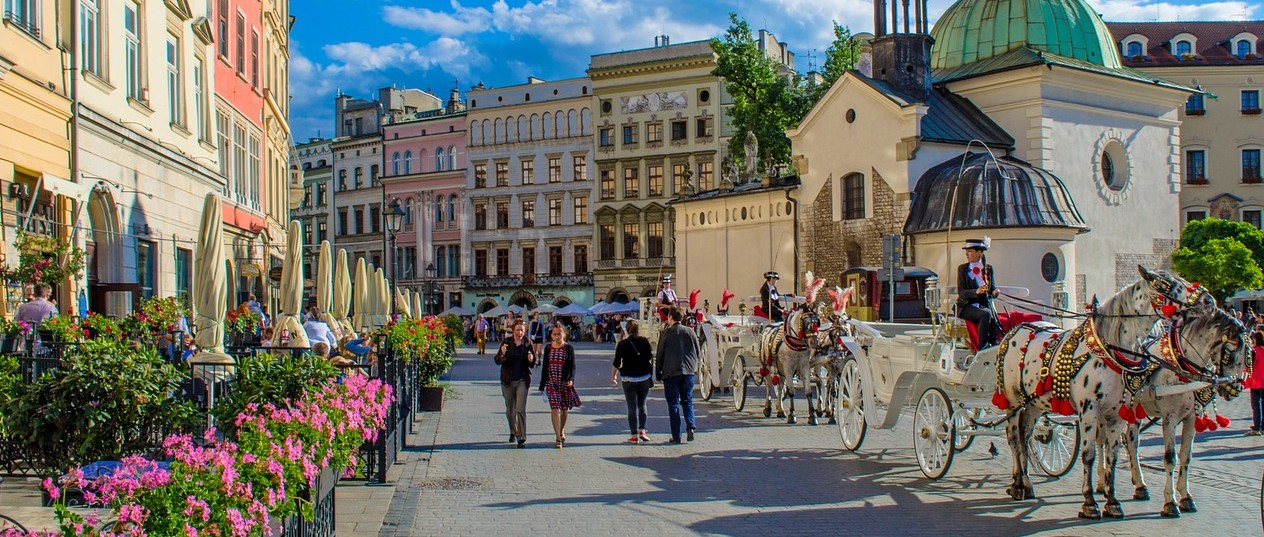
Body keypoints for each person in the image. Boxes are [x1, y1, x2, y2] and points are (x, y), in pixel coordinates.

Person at [656, 307, 699, 443]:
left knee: (673, 405)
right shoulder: (690, 331)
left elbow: (660, 354)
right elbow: (697, 350)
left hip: (670, 372)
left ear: (670, 317)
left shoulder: (666, 333)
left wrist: (658, 373)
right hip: (688, 372)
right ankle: (690, 427)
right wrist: (693, 366)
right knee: (687, 401)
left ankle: (676, 435)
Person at [495, 320, 535, 448]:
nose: (520, 333)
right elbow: (497, 360)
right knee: (510, 410)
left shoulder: (528, 343)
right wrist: (502, 353)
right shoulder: (507, 342)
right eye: (518, 330)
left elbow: (532, 363)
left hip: (522, 379)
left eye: (522, 330)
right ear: (513, 330)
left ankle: (521, 437)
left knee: (520, 409)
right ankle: (513, 431)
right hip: (508, 380)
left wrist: (531, 359)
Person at [612, 320, 654, 443]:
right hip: (644, 377)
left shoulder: (622, 344)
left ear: (627, 330)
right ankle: (642, 430)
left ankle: (634, 435)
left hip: (628, 379)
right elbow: (649, 358)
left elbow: (616, 362)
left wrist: (613, 376)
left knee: (631, 407)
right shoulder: (644, 341)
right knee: (642, 404)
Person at [539, 324, 580, 449]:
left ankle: (561, 430)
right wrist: (542, 384)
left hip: (564, 382)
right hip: (551, 382)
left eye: (559, 334)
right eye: (555, 334)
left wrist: (571, 380)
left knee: (564, 410)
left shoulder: (569, 348)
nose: (557, 336)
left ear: (564, 334)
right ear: (552, 335)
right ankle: (558, 437)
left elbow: (572, 366)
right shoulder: (548, 348)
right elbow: (545, 366)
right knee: (554, 409)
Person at [957, 238, 1002, 348]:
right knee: (985, 314)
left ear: (979, 253)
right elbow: (961, 292)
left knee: (992, 316)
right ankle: (983, 347)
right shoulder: (963, 269)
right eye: (966, 252)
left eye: (970, 251)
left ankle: (993, 345)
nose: (967, 254)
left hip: (983, 304)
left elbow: (991, 289)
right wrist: (975, 292)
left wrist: (995, 293)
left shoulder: (988, 269)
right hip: (967, 306)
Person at [1246, 330, 1264, 435]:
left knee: (1255, 404)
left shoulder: (1254, 351)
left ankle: (1256, 427)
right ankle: (1263, 427)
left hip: (1256, 381)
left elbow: (1249, 365)